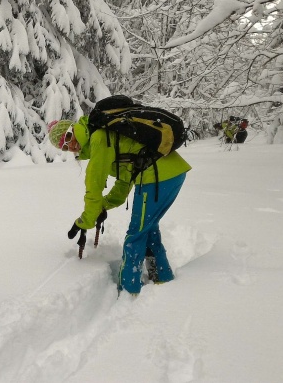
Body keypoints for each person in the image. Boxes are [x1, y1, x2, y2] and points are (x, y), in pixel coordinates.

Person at [48, 117, 192, 296]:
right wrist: (104, 206)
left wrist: (85, 221)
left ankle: (128, 291)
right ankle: (162, 276)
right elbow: (124, 183)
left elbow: (94, 186)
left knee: (136, 234)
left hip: (158, 176)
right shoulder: (106, 139)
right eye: (63, 147)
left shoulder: (99, 138)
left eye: (67, 139)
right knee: (148, 228)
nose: (69, 147)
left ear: (72, 130)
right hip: (168, 174)